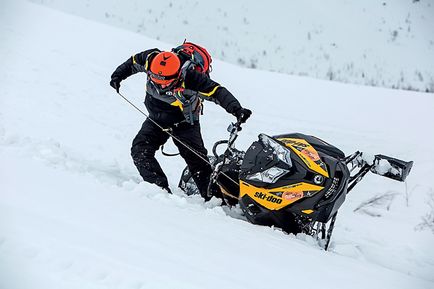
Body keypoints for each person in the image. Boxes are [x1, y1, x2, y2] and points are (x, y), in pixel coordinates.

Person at [110, 47, 251, 201]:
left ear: (176, 75)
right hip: (156, 119)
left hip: (185, 123)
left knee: (198, 164)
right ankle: (159, 191)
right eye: (155, 81)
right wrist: (118, 76)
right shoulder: (150, 59)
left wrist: (237, 110)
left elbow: (217, 91)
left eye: (165, 84)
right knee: (140, 150)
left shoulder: (191, 77)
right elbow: (133, 62)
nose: (160, 87)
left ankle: (214, 201)